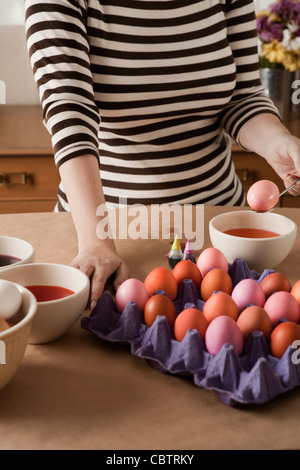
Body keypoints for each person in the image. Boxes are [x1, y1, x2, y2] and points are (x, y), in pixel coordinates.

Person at [24, 0, 300, 308]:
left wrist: (278, 142)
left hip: (217, 228)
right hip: (104, 234)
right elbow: (69, 112)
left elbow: (243, 95)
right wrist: (96, 243)